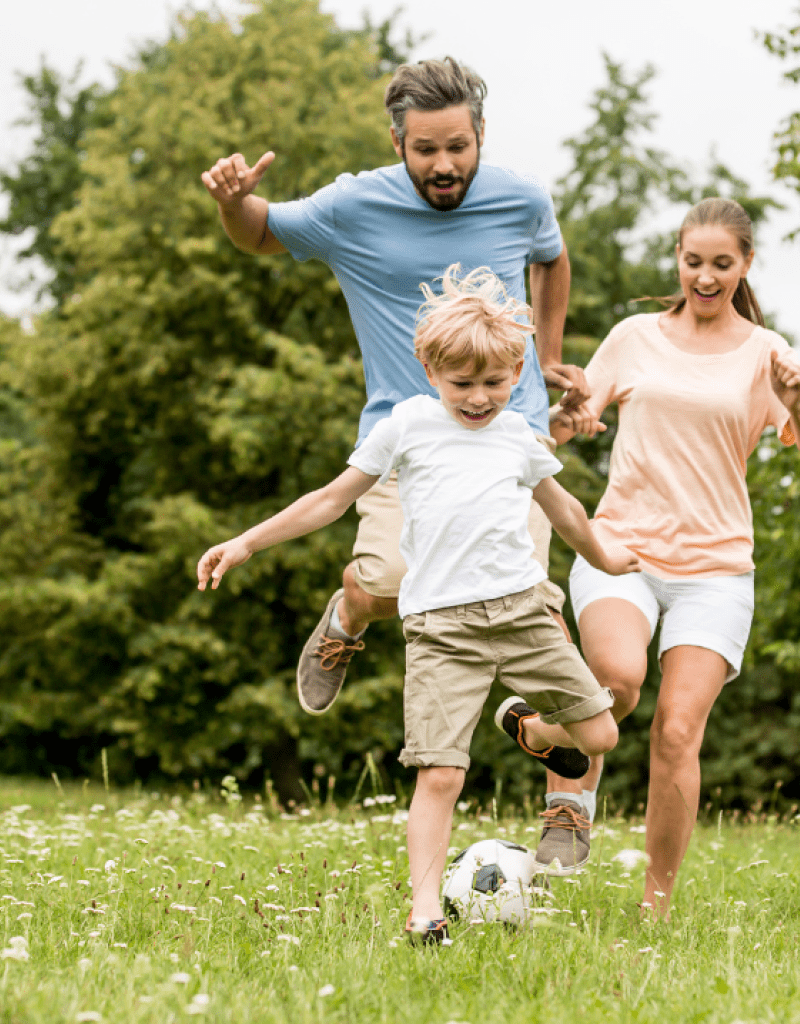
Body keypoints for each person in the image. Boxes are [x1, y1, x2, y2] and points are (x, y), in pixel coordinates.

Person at [196, 265, 639, 942]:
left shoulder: (520, 436)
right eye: (463, 384)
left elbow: (567, 510)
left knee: (601, 733)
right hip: (442, 630)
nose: (479, 398)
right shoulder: (407, 426)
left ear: (517, 372)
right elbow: (332, 498)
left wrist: (608, 557)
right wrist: (247, 542)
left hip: (522, 615)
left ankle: (529, 727)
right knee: (440, 774)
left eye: (495, 384)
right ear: (430, 369)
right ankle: (425, 909)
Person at [200, 56, 588, 716]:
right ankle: (349, 610)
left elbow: (550, 255)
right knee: (391, 585)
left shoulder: (521, 198)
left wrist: (545, 357)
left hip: (510, 436)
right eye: (426, 149)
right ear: (397, 143)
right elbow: (259, 233)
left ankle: (567, 810)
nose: (444, 165)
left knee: (535, 611)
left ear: (482, 134)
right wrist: (235, 203)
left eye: (458, 147)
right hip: (405, 445)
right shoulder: (353, 206)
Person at [522, 197, 800, 913]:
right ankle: (562, 777)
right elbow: (564, 426)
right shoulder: (635, 337)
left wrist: (799, 401)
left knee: (678, 730)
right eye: (694, 262)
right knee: (617, 682)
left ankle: (655, 903)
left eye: (722, 264)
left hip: (717, 569)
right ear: (680, 261)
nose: (705, 276)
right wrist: (567, 422)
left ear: (745, 264)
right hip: (621, 546)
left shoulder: (764, 353)